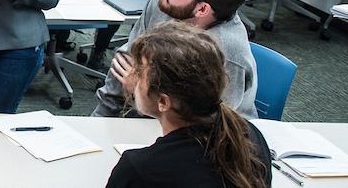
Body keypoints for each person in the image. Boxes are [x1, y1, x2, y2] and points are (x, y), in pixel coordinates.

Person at [93, 0, 258, 119]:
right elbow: (127, 63)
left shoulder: (227, 53)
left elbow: (209, 127)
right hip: (153, 113)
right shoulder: (165, 0)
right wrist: (97, 125)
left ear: (202, 9)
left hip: (206, 136)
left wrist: (142, 89)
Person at [105, 21, 271, 188]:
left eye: (139, 72)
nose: (131, 76)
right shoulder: (250, 136)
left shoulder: (140, 169)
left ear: (163, 102)